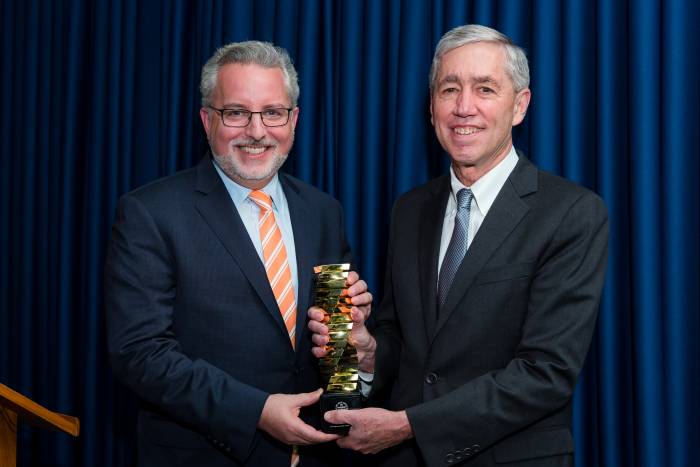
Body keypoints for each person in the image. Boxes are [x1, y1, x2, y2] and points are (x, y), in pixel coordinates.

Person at [309, 24, 609, 467]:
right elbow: (406, 342)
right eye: (449, 89)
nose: (463, 108)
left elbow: (546, 374)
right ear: (431, 108)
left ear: (520, 106)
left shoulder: (571, 213)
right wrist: (369, 350)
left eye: (485, 89)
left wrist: (409, 425)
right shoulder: (409, 210)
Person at [105, 41, 371, 467]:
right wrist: (257, 412)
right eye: (236, 113)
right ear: (207, 120)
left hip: (319, 455)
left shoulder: (324, 211)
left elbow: (336, 345)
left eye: (273, 112)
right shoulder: (150, 213)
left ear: (294, 120)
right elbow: (139, 353)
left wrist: (356, 352)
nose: (257, 130)